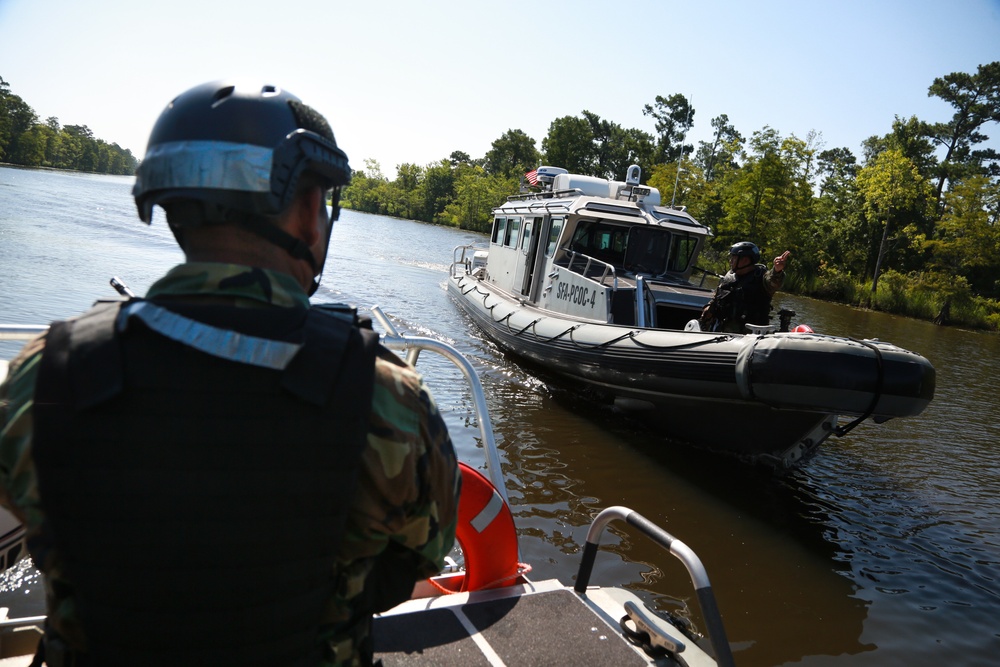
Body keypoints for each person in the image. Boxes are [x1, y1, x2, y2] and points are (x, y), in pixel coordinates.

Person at [0, 81, 460, 667]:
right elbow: (422, 554)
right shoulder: (389, 398)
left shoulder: (45, 374)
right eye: (321, 201)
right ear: (304, 211)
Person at [699, 242, 791, 333]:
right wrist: (708, 309)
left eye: (733, 258)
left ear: (745, 260)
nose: (730, 261)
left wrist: (777, 270)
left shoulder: (761, 277)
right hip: (723, 331)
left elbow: (774, 282)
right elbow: (718, 297)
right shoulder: (729, 276)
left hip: (750, 335)